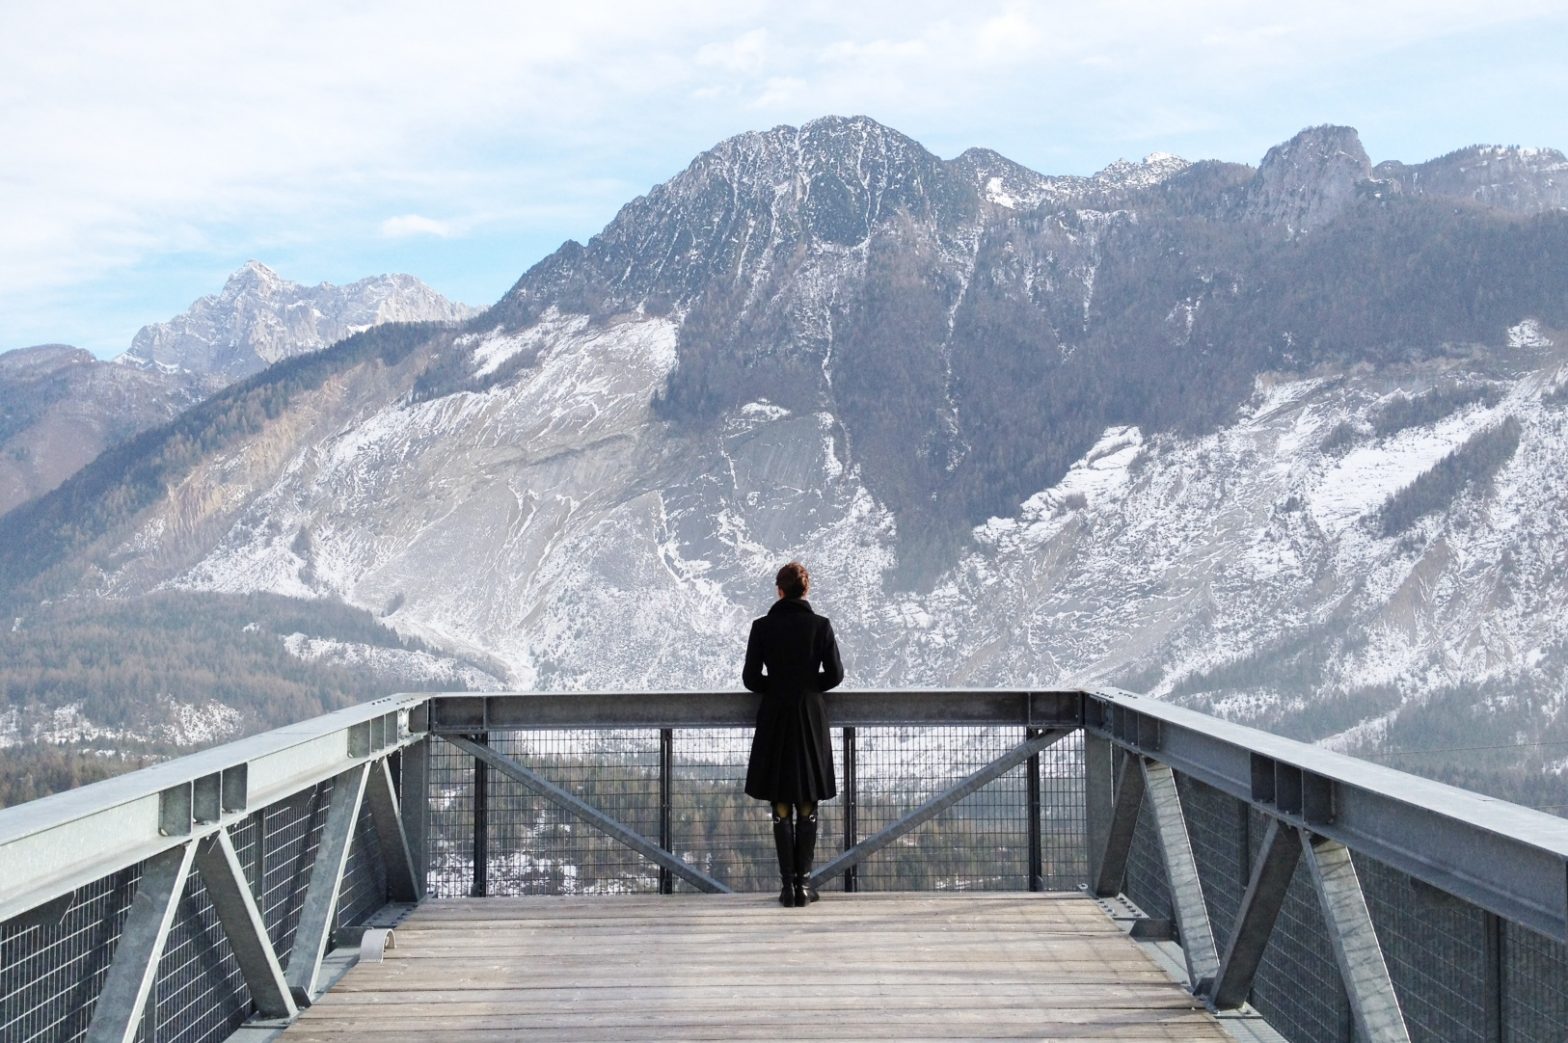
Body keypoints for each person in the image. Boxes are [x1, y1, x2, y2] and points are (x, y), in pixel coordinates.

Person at [742, 561, 845, 907]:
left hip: (775, 716)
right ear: (807, 590)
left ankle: (787, 887)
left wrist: (779, 685)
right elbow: (835, 674)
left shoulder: (762, 627)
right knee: (807, 800)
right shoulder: (821, 627)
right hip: (810, 716)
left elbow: (751, 679)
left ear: (779, 590)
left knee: (780, 801)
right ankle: (804, 885)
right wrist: (807, 686)